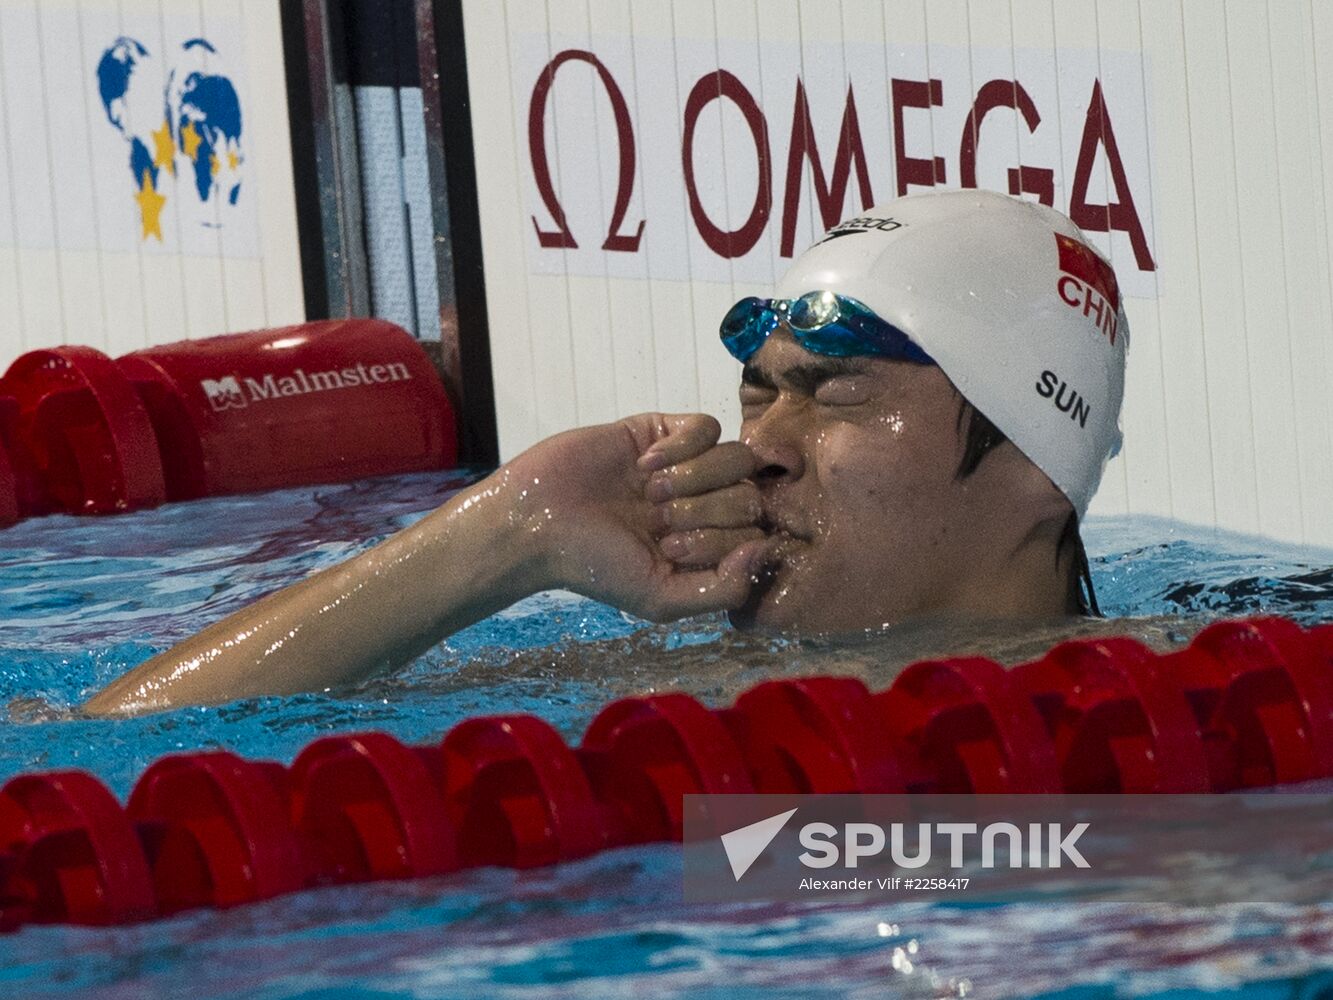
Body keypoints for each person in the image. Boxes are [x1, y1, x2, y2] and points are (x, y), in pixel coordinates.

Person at [83, 190, 1128, 717]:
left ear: (1033, 461)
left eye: (836, 393)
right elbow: (112, 751)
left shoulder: (1188, 705)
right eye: (756, 393)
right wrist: (504, 534)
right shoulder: (661, 695)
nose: (762, 446)